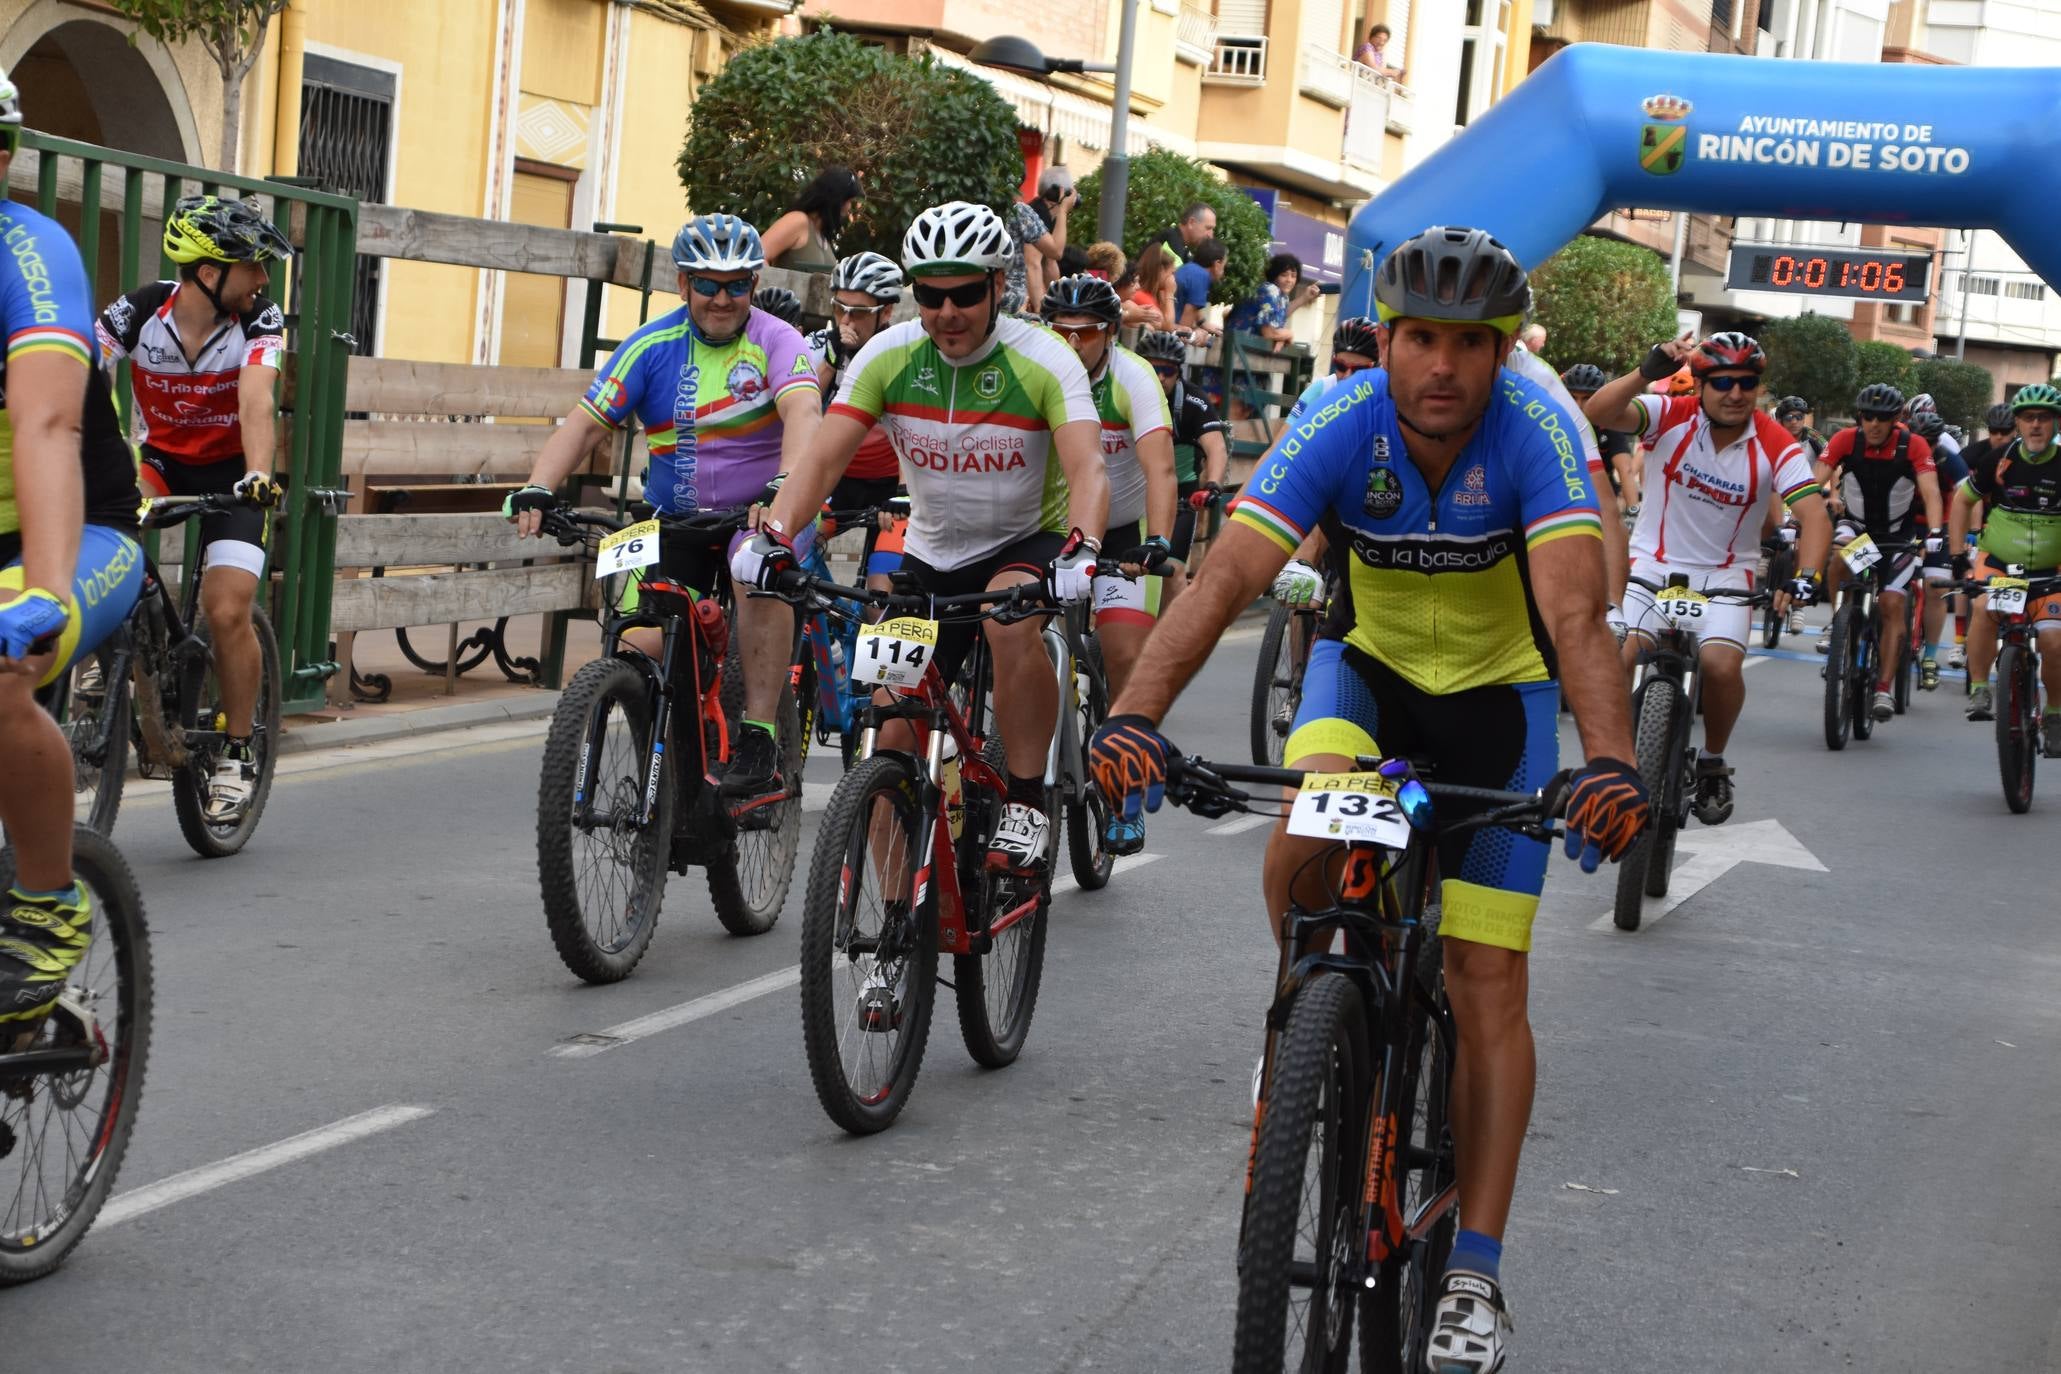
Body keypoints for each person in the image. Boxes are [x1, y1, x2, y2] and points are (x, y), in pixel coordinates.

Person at [1088, 226, 1644, 1374]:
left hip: (1501, 705)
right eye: (1420, 338)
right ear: (1384, 341)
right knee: (1303, 843)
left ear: (1502, 353)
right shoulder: (1341, 421)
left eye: (1469, 344)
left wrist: (1610, 762)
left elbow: (1577, 619)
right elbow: (1226, 577)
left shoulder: (1536, 433)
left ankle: (1476, 1268)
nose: (1442, 365)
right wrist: (1134, 717)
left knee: (1487, 980)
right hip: (1369, 677)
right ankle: (1311, 1014)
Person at [730, 201, 1110, 872]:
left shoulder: (1045, 358)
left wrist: (1082, 548)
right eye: (931, 296)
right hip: (931, 552)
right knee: (893, 737)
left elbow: (1087, 467)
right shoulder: (889, 354)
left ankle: (1027, 800)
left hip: (1026, 539)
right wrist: (777, 534)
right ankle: (893, 922)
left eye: (965, 294)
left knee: (1007, 623)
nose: (947, 312)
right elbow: (822, 459)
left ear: (998, 285)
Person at [505, 214, 821, 810]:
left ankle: (759, 733)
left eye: (736, 285)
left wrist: (784, 489)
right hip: (675, 520)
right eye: (707, 284)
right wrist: (538, 487)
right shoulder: (651, 346)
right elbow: (585, 425)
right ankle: (673, 758)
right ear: (682, 284)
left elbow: (804, 414)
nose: (722, 299)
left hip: (761, 515)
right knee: (638, 641)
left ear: (754, 284)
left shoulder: (779, 341)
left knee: (753, 564)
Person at [0, 66, 147, 1023]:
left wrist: (45, 593)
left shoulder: (29, 253)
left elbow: (49, 426)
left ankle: (46, 908)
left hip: (75, 532)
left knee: (0, 671)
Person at [97, 193, 293, 823]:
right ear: (208, 272)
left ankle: (238, 749)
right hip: (160, 463)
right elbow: (82, 370)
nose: (263, 279)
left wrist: (258, 474)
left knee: (226, 608)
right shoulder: (139, 311)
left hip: (234, 475)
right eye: (252, 265)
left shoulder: (260, 320)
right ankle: (116, 647)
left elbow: (257, 400)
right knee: (103, 536)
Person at [1584, 331, 1833, 823]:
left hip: (1726, 574)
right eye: (1722, 382)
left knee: (1720, 666)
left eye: (1746, 383)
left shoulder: (1776, 443)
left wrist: (1807, 575)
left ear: (1759, 388)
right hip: (1653, 565)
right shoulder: (1670, 414)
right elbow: (1599, 412)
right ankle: (1614, 758)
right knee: (1624, 653)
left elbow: (1814, 516)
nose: (1735, 393)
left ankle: (1714, 760)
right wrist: (1645, 372)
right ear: (1699, 385)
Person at [1041, 275, 1176, 853]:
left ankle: (1126, 791)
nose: (1073, 344)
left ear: (1112, 333)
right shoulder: (1038, 366)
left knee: (1123, 654)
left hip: (1122, 534)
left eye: (1087, 333)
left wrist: (1159, 540)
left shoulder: (1133, 378)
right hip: (1054, 527)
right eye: (1061, 332)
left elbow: (1160, 469)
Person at [1814, 383, 1944, 711]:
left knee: (1891, 604)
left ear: (1896, 418)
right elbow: (1812, 482)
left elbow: (1931, 493)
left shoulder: (1913, 445)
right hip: (1859, 530)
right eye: (1868, 416)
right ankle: (1838, 623)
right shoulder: (1846, 439)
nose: (1874, 424)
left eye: (1882, 418)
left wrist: (1935, 532)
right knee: (1839, 560)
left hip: (1896, 538)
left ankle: (1884, 688)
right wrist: (1798, 514)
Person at [1950, 383, 2061, 741]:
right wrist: (1957, 555)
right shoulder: (1998, 460)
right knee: (1983, 608)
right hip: (2000, 563)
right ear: (2018, 424)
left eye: (2044, 417)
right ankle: (1980, 688)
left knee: (2054, 641)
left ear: (2056, 423)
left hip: (2051, 571)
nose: (2036, 425)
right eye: (2028, 418)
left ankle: (2055, 712)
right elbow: (1962, 501)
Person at [806, 250, 908, 593]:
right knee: (791, 550)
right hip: (839, 479)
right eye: (839, 308)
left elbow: (913, 428)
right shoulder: (820, 345)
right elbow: (803, 408)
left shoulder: (904, 352)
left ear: (886, 311)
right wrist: (831, 360)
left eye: (860, 312)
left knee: (880, 594)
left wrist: (903, 493)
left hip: (891, 486)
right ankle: (827, 616)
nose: (847, 320)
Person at [1136, 329, 1230, 573]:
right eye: (1152, 368)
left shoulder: (1193, 400)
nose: (1160, 377)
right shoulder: (1125, 393)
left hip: (1180, 499)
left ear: (1179, 372)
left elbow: (1216, 447)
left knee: (1171, 570)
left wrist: (1212, 485)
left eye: (1167, 371)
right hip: (1133, 496)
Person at [760, 166, 861, 272]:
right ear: (837, 199)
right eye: (849, 201)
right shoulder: (798, 221)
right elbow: (755, 257)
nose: (850, 207)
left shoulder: (823, 238)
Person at [1004, 179, 1076, 316]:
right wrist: (1063, 210)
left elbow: (1049, 263)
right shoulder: (1019, 211)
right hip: (1012, 301)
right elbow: (1052, 253)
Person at [1224, 252, 1322, 347]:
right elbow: (1268, 333)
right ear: (1274, 275)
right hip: (1236, 347)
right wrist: (1288, 334)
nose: (1289, 280)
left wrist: (1305, 297)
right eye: (1284, 275)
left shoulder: (1282, 296)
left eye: (1293, 276)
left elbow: (1281, 315)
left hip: (1241, 346)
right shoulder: (1271, 290)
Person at [1174, 239, 1228, 337]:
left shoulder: (1189, 268)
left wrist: (1203, 324)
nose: (1223, 272)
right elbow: (1183, 331)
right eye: (1224, 266)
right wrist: (1196, 335)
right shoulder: (1201, 277)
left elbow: (1190, 303)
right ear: (1217, 264)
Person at [1132, 238, 1179, 330]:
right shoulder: (1140, 295)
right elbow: (1167, 326)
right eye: (1172, 273)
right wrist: (1169, 294)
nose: (1173, 278)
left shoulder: (1155, 294)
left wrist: (1180, 328)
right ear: (1160, 270)